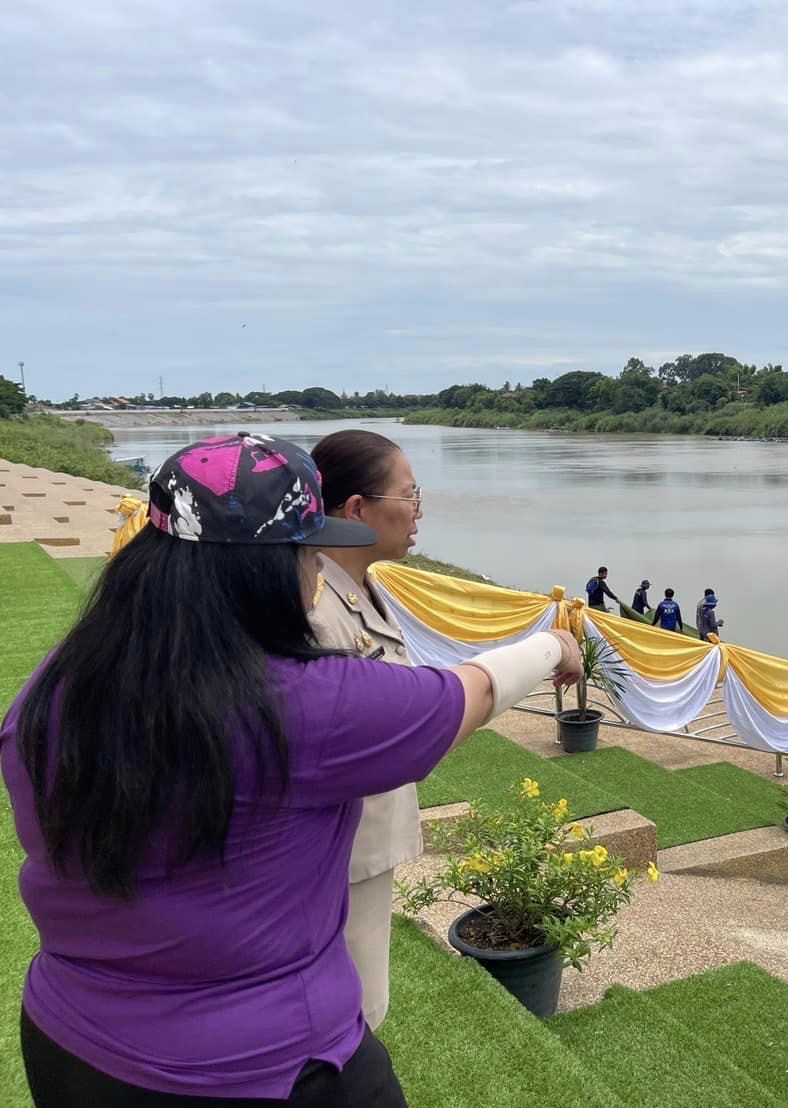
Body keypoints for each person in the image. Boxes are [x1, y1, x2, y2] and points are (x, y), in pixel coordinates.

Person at [1, 432, 581, 1105]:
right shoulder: (304, 707)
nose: (317, 574)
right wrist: (553, 645)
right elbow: (471, 692)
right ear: (264, 571)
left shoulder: (57, 684)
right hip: (261, 1066)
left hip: (70, 1039)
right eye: (310, 555)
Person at [307, 429, 423, 1033]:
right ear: (357, 508)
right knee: (353, 1011)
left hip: (365, 839)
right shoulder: (316, 604)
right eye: (410, 495)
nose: (418, 512)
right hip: (340, 850)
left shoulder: (362, 586)